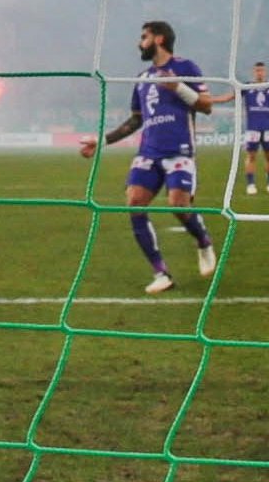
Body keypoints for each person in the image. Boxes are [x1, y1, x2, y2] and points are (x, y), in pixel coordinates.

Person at [83, 19, 217, 294]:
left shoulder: (185, 67)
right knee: (134, 202)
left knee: (179, 206)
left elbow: (206, 106)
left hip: (179, 149)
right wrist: (101, 141)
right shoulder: (142, 79)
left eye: (143, 37)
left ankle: (203, 242)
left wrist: (178, 87)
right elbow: (135, 121)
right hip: (148, 151)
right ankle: (161, 273)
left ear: (158, 39)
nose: (139, 42)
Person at [237, 62, 269, 194]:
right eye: (257, 70)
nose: (260, 73)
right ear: (253, 72)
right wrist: (213, 100)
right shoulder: (246, 87)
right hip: (252, 128)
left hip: (268, 128)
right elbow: (231, 96)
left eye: (262, 70)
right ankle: (251, 185)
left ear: (265, 72)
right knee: (251, 156)